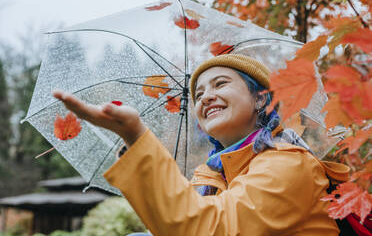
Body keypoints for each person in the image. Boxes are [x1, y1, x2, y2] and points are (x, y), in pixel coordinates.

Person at [53, 54, 350, 236]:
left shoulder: (289, 163)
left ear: (261, 98)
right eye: (199, 93)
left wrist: (136, 137)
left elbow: (210, 230)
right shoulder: (209, 177)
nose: (206, 97)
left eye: (220, 84)